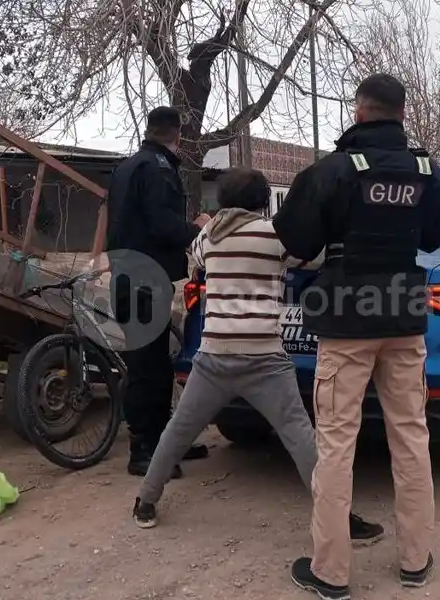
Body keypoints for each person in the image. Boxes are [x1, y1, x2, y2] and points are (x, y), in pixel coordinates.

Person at [131, 167, 384, 546]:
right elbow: (309, 260)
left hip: (214, 356)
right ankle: (340, 518)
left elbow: (196, 260)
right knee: (301, 438)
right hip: (264, 358)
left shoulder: (209, 237)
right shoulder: (274, 237)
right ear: (263, 202)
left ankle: (145, 503)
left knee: (178, 430)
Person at [273, 73, 440, 599]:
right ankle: (415, 561)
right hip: (403, 316)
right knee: (411, 437)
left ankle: (330, 572)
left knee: (335, 444)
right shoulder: (425, 171)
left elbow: (297, 238)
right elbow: (434, 235)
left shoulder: (335, 169)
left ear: (359, 112)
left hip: (346, 318)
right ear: (401, 114)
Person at [106, 106, 212, 477]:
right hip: (143, 278)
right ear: (176, 136)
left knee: (155, 364)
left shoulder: (128, 166)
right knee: (146, 368)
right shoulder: (157, 169)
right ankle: (143, 452)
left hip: (134, 275)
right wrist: (196, 227)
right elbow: (162, 224)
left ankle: (164, 444)